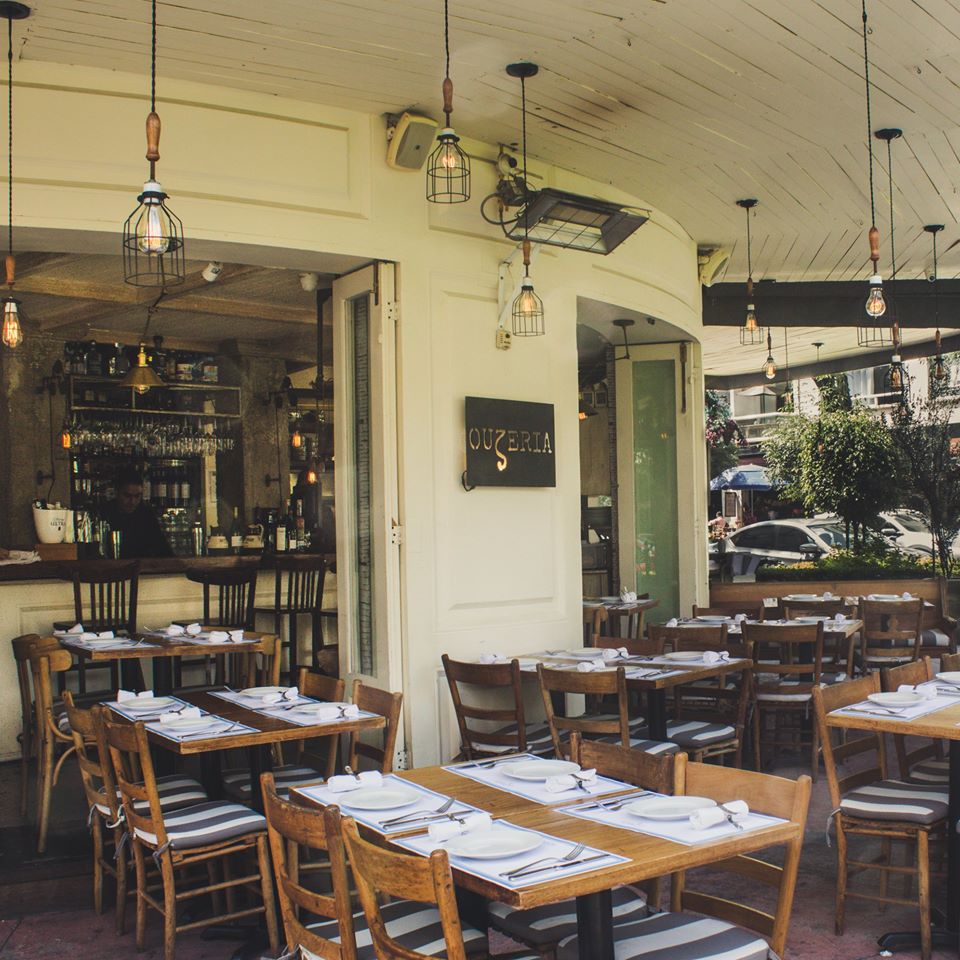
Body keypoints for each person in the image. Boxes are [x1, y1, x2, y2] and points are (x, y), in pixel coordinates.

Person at [101, 468, 172, 558]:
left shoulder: (146, 515)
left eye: (137, 496)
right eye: (127, 496)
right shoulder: (105, 513)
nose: (132, 501)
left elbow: (163, 550)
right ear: (116, 492)